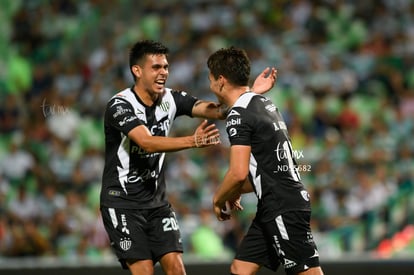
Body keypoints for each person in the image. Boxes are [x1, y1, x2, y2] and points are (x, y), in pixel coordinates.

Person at [100, 40, 276, 275]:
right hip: (122, 203)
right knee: (143, 270)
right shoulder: (120, 105)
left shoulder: (170, 98)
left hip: (157, 203)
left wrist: (249, 94)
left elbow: (215, 110)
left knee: (177, 269)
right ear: (137, 70)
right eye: (156, 67)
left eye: (166, 67)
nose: (163, 72)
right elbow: (147, 142)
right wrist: (193, 141)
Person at [208, 46, 324, 275]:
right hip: (276, 202)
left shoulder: (238, 115)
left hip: (281, 204)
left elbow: (238, 172)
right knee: (240, 268)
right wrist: (235, 190)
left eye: (210, 79)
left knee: (307, 272)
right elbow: (266, 169)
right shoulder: (264, 104)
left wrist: (218, 198)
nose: (210, 85)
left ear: (220, 80)